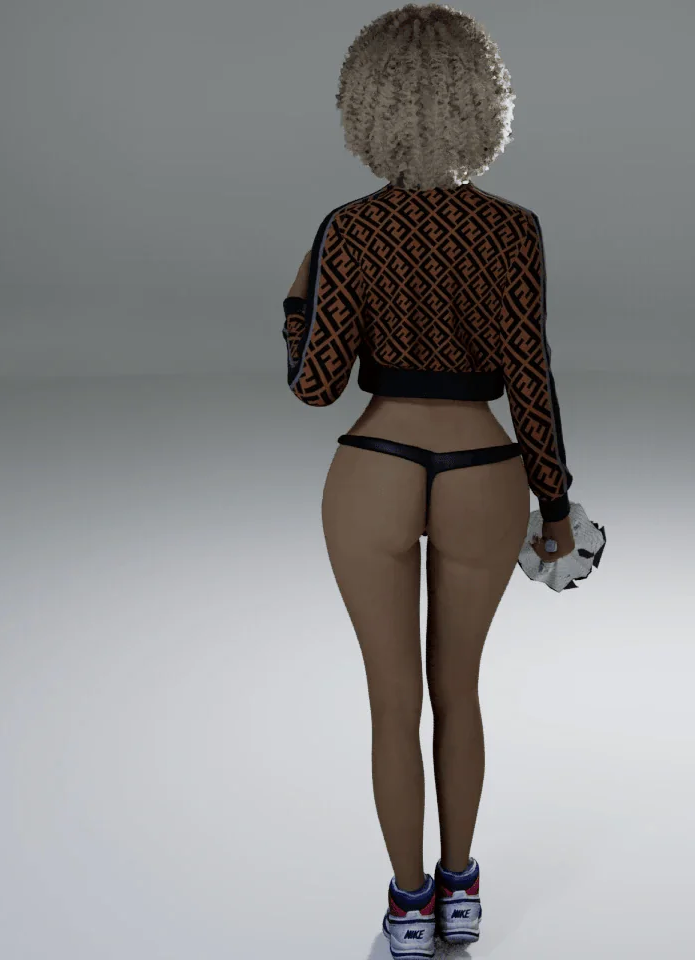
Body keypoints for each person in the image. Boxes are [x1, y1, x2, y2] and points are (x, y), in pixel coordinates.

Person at [280, 5, 576, 957]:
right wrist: (556, 502)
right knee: (460, 690)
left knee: (391, 700)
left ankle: (406, 906)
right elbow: (531, 377)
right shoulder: (515, 231)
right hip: (484, 468)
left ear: (366, 105)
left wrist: (299, 299)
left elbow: (315, 387)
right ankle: (461, 890)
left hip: (375, 462)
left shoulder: (348, 229)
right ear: (482, 102)